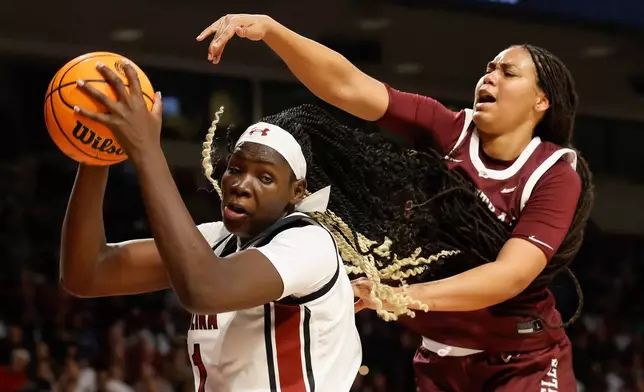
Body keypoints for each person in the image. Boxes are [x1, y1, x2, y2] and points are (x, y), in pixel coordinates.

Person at [196, 14, 595, 391]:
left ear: (541, 101)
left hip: (522, 360)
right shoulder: (448, 129)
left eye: (508, 73)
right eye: (489, 68)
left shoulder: (555, 173)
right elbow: (348, 85)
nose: (490, 77)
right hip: (439, 359)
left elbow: (511, 275)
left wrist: (398, 295)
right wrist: (272, 31)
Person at [60, 61, 362, 391]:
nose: (242, 185)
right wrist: (97, 154)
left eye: (264, 177)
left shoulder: (309, 244)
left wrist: (147, 150)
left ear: (296, 192)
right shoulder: (216, 239)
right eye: (236, 169)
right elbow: (86, 273)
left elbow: (203, 290)